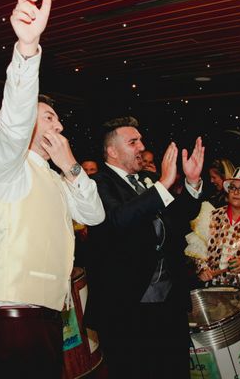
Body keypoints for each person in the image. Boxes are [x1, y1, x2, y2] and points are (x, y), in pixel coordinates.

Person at [0, 0, 105, 379]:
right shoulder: (7, 167)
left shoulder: (53, 175)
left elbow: (95, 214)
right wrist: (27, 49)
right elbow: (13, 121)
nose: (59, 127)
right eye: (49, 117)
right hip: (11, 319)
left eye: (60, 120)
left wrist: (69, 167)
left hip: (47, 317)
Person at [85, 116, 204, 379]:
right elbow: (119, 220)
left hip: (169, 303)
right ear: (112, 151)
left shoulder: (148, 181)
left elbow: (181, 219)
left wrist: (192, 183)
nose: (141, 147)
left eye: (140, 140)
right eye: (133, 142)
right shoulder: (98, 184)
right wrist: (163, 184)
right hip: (127, 307)